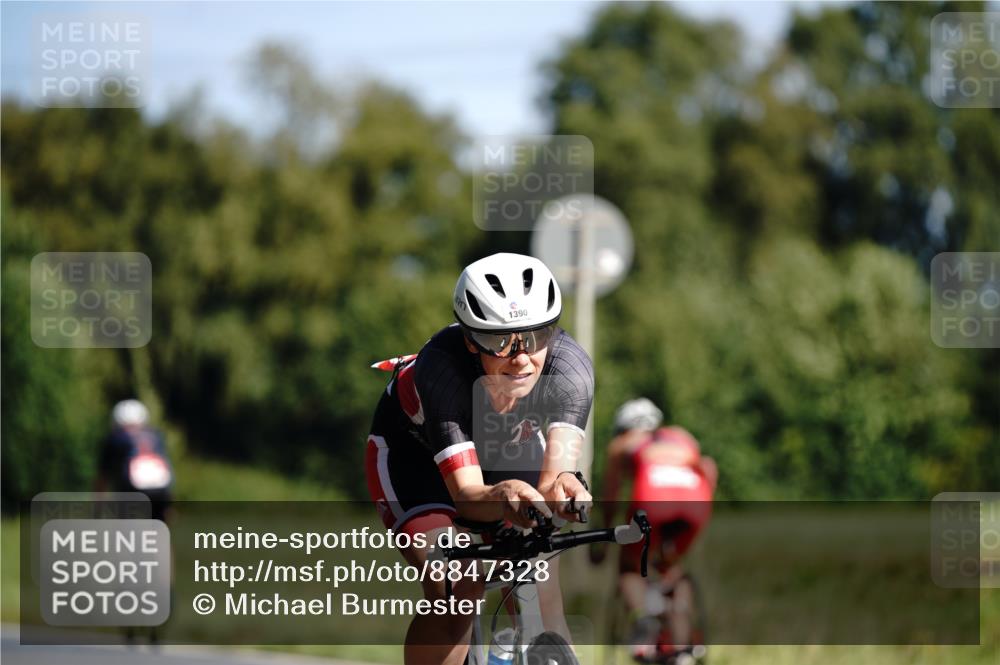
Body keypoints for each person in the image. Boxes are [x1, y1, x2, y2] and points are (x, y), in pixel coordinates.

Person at [366, 253, 594, 665]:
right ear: (471, 340)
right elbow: (469, 495)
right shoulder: (442, 369)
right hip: (413, 458)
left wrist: (563, 488)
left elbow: (554, 478)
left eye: (537, 335)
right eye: (499, 341)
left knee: (540, 584)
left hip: (504, 445)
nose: (521, 356)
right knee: (458, 586)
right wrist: (505, 492)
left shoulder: (571, 368)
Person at [592, 398, 717, 661]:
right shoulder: (681, 436)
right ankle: (682, 650)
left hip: (653, 499)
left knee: (630, 566)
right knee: (671, 569)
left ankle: (643, 619)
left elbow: (611, 496)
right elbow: (708, 467)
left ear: (623, 428)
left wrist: (602, 539)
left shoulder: (622, 444)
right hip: (695, 500)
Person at [96, 399, 174, 523]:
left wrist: (98, 504)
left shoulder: (116, 438)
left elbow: (103, 475)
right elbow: (166, 468)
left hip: (131, 491)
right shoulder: (156, 435)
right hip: (161, 491)